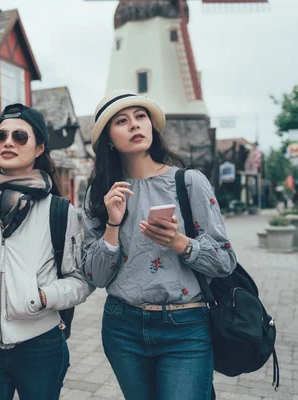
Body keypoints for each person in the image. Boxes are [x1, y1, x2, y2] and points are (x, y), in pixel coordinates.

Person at [82, 90, 237, 400]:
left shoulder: (189, 182)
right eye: (122, 121)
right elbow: (95, 277)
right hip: (121, 326)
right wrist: (113, 223)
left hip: (185, 327)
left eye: (141, 117)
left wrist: (179, 242)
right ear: (109, 140)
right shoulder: (100, 193)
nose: (135, 125)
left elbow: (225, 261)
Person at [0, 103, 93, 400]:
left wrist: (42, 297)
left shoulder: (60, 211)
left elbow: (80, 281)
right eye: (0, 136)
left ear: (39, 148)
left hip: (41, 345)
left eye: (20, 137)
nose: (8, 142)